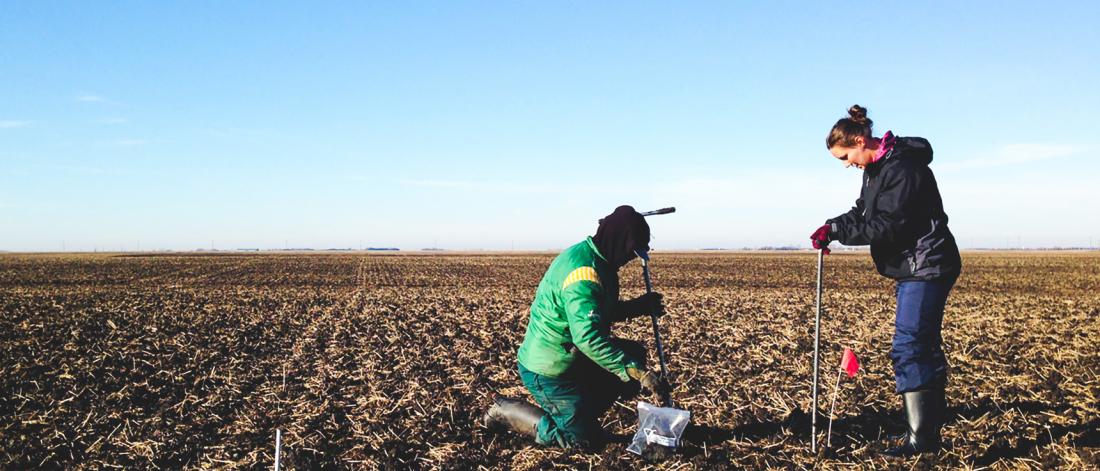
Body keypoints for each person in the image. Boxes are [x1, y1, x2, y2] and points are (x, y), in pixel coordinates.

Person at [810, 105, 961, 457]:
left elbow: (889, 226)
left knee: (909, 346)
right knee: (921, 345)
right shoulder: (876, 170)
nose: (848, 164)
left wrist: (841, 233)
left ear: (861, 141)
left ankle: (922, 441)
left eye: (847, 156)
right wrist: (833, 226)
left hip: (928, 263)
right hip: (915, 266)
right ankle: (929, 431)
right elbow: (863, 212)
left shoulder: (904, 169)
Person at [483, 205, 671, 450]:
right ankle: (507, 412)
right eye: (631, 252)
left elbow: (597, 311)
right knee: (581, 441)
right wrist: (639, 373)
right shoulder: (584, 274)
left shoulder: (598, 259)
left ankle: (579, 414)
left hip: (572, 356)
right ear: (619, 242)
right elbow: (588, 336)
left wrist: (637, 307)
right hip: (550, 370)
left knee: (633, 355)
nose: (631, 259)